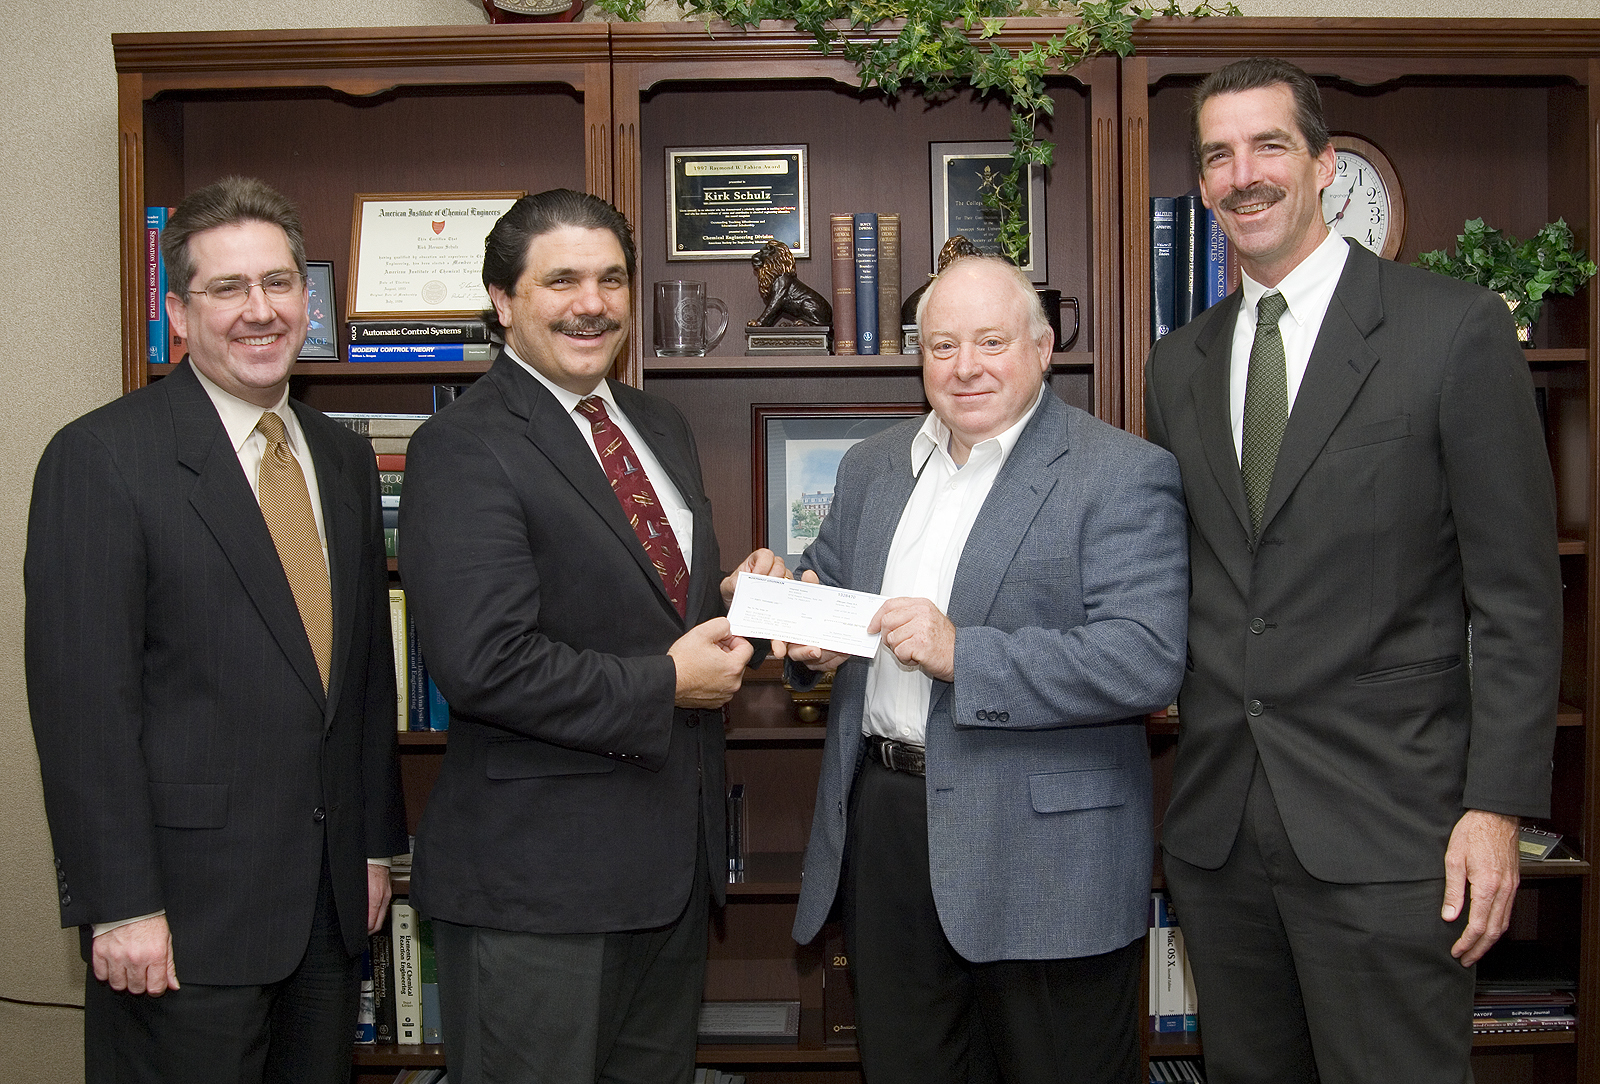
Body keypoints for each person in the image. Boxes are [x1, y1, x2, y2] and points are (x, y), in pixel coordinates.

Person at [1144, 57, 1562, 1084]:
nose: (1244, 175)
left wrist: (1495, 808)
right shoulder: (1176, 363)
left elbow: (1516, 594)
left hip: (1390, 830)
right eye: (1218, 155)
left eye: (1269, 146)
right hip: (1220, 837)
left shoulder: (1449, 329)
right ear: (1201, 185)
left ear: (1324, 165)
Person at [397, 188, 785, 1084]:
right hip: (537, 891)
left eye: (611, 277)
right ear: (503, 302)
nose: (593, 302)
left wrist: (749, 610)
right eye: (562, 279)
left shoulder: (656, 426)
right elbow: (483, 664)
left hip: (668, 876)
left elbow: (668, 617)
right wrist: (665, 682)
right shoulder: (461, 447)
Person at [26, 176, 407, 1084]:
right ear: (177, 314)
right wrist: (119, 906)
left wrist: (369, 848)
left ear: (307, 302)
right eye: (228, 289)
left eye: (279, 284)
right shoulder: (101, 459)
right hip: (180, 920)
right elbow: (84, 708)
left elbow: (360, 677)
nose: (260, 311)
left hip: (324, 911)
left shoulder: (342, 457)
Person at [785, 254, 1189, 1083]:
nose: (965, 366)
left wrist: (962, 653)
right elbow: (831, 594)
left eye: (991, 341)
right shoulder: (871, 467)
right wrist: (798, 626)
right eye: (942, 346)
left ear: (1043, 348)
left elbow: (1146, 659)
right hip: (889, 824)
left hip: (1044, 845)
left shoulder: (1119, 472)